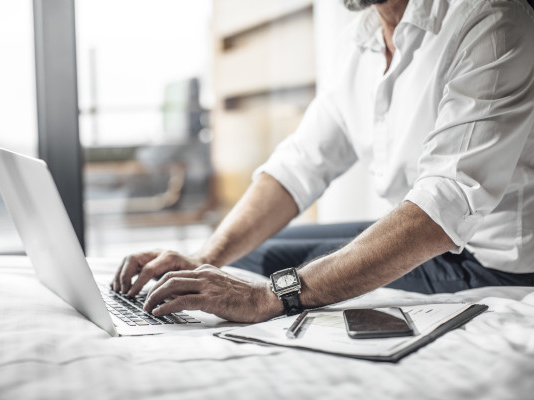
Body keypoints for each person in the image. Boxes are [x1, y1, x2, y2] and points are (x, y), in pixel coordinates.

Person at [111, 0, 534, 323]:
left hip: (489, 265)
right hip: (429, 241)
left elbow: (444, 205)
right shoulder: (360, 40)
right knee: (253, 259)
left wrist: (268, 298)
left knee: (270, 278)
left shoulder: (492, 23)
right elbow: (300, 165)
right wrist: (206, 257)